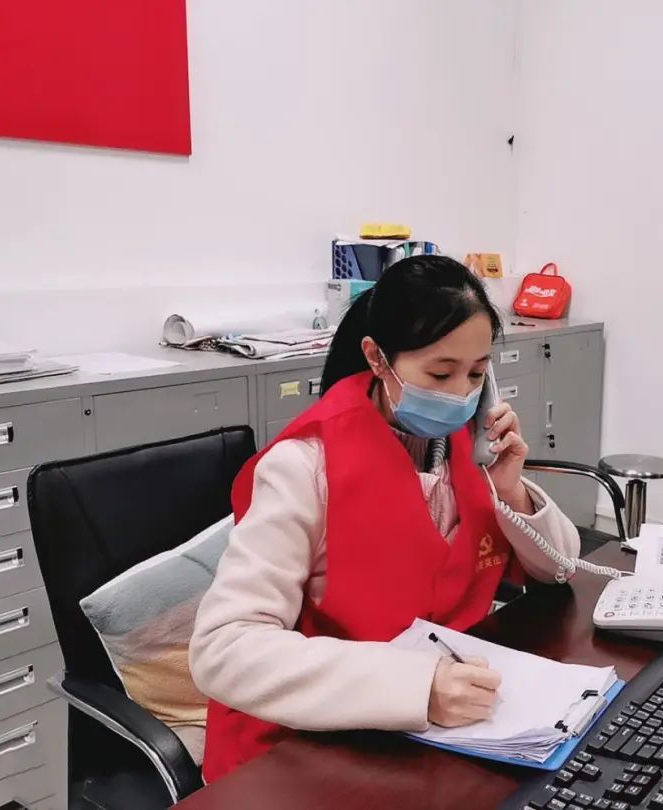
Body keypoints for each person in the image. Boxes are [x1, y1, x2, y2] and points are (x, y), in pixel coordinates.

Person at [190, 255, 580, 781]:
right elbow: (224, 649)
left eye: (476, 374)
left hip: (438, 732)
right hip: (305, 744)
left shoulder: (468, 451)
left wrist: (510, 489)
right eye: (439, 373)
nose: (461, 394)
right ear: (376, 358)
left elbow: (560, 568)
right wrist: (417, 687)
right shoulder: (304, 466)